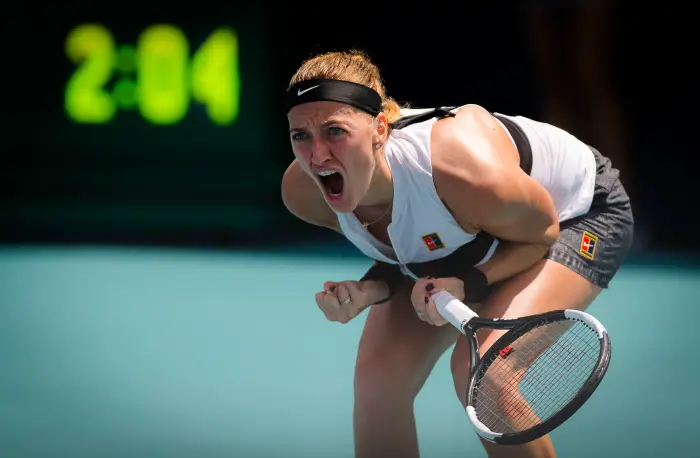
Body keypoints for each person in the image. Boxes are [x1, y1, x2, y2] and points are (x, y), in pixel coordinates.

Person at [281, 50, 634, 458]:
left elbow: (540, 234)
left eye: (335, 131)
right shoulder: (305, 193)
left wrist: (467, 282)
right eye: (300, 136)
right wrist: (370, 289)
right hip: (483, 229)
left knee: (484, 374)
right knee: (379, 378)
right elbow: (414, 245)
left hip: (575, 215)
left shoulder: (459, 170)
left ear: (380, 128)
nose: (317, 155)